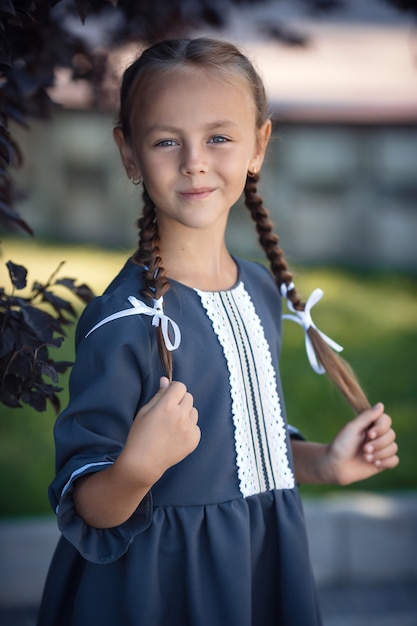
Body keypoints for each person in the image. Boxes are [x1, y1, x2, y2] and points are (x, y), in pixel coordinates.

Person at [36, 38, 399, 626]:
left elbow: (246, 454)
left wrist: (325, 464)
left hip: (261, 564)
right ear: (129, 154)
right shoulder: (125, 321)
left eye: (219, 137)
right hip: (162, 585)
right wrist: (136, 467)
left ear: (259, 146)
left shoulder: (258, 290)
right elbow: (89, 506)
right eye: (165, 140)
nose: (194, 161)